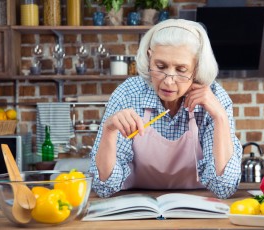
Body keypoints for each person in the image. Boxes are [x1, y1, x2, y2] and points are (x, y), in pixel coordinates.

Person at [89, 19, 242, 199]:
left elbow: (224, 188)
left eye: (181, 70)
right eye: (160, 67)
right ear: (149, 59)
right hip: (136, 206)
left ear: (196, 68)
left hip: (197, 207)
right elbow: (103, 187)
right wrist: (109, 130)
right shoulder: (128, 94)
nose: (169, 81)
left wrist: (221, 118)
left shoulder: (215, 97)